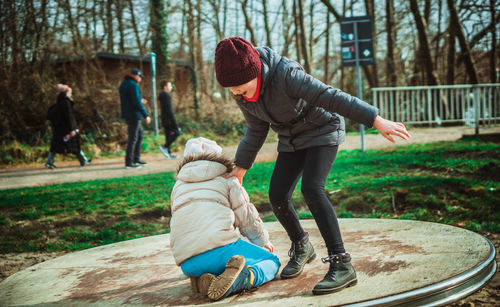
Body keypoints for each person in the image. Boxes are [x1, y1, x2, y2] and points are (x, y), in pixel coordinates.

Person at [214, 37, 411, 295]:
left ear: (257, 72)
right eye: (232, 91)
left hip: (322, 129)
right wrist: (241, 166)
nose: (237, 94)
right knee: (277, 194)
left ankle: (342, 264)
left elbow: (330, 96)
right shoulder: (244, 93)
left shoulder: (286, 75)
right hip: (291, 138)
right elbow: (256, 129)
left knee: (312, 188)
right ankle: (302, 245)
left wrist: (374, 119)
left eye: (240, 88)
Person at [170, 137, 280, 301]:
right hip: (220, 251)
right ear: (218, 157)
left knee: (221, 264)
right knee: (271, 261)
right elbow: (246, 215)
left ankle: (202, 280)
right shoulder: (228, 180)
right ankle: (244, 279)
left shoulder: (178, 186)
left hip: (187, 263)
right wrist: (261, 241)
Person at [45, 84, 91, 169]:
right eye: (70, 92)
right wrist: (72, 129)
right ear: (67, 93)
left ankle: (83, 160)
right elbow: (69, 116)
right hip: (66, 129)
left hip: (60, 128)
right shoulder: (66, 102)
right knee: (73, 144)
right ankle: (83, 160)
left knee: (56, 145)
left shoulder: (60, 100)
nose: (71, 94)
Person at [119, 68, 151, 169]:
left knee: (140, 135)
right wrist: (146, 115)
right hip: (134, 115)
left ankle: (136, 158)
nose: (140, 79)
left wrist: (139, 100)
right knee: (133, 138)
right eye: (141, 77)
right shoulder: (134, 85)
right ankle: (129, 162)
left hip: (128, 114)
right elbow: (136, 102)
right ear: (137, 76)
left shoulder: (123, 84)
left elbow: (130, 99)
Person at [158, 80, 180, 159]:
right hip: (169, 119)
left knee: (168, 136)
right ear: (165, 87)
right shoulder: (166, 95)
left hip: (165, 119)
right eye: (169, 85)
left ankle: (168, 154)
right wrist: (174, 122)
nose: (171, 87)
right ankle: (165, 147)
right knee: (177, 132)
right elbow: (169, 110)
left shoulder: (163, 95)